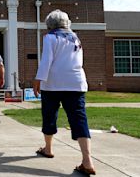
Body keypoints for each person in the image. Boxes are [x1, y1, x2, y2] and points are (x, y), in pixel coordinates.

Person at [33, 9, 95, 175]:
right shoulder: (76, 38)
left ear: (50, 24)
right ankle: (87, 160)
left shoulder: (50, 38)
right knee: (79, 119)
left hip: (52, 83)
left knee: (49, 116)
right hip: (75, 83)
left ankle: (48, 148)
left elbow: (47, 60)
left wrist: (38, 79)